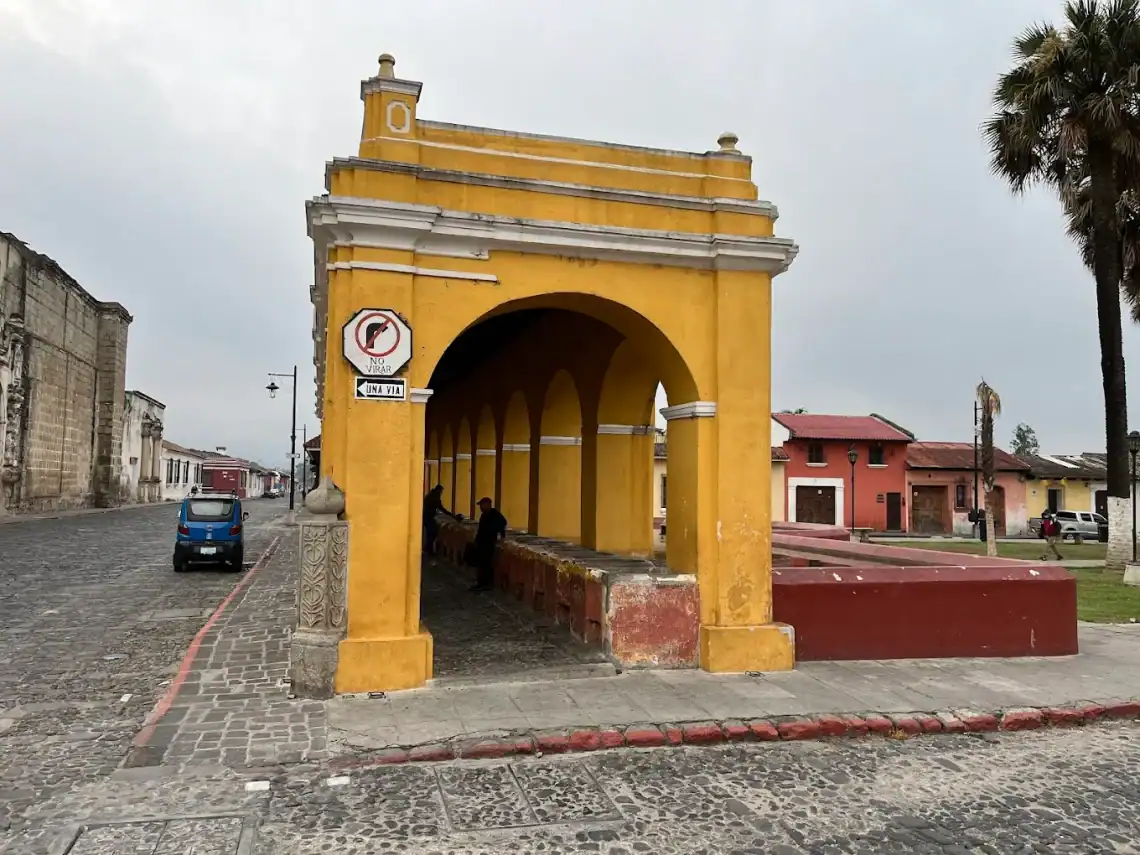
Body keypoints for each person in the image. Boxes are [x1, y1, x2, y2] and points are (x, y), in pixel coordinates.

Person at [470, 497, 507, 592]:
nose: (481, 507)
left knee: (486, 563)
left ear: (488, 504)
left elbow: (503, 523)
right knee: (481, 564)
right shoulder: (483, 515)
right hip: (481, 542)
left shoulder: (494, 514)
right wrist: (476, 540)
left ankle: (487, 584)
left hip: (489, 542)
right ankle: (481, 583)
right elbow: (480, 530)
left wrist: (500, 533)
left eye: (482, 505)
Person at [422, 485, 451, 556]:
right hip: (428, 516)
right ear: (438, 491)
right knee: (433, 531)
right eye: (441, 491)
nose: (441, 493)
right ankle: (428, 548)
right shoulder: (434, 497)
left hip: (426, 516)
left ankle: (428, 548)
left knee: (430, 532)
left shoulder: (430, 496)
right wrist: (452, 515)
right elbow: (441, 508)